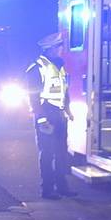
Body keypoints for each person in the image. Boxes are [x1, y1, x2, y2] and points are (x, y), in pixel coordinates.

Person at [30, 35, 76, 199]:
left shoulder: (59, 67)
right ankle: (47, 189)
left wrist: (68, 110)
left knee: (61, 153)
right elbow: (33, 97)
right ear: (49, 49)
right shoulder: (37, 68)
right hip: (46, 114)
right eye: (58, 47)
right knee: (47, 153)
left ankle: (62, 187)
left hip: (59, 114)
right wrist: (42, 119)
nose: (61, 50)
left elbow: (64, 91)